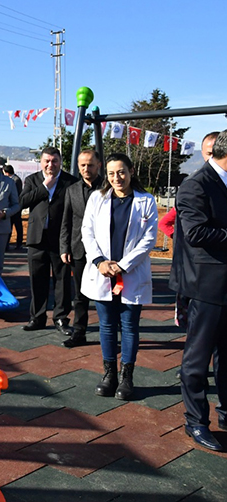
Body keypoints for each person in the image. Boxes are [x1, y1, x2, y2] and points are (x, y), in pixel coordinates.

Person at [80, 153, 156, 401]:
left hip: (130, 273)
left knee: (130, 327)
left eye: (121, 171)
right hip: (102, 273)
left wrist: (122, 266)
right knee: (107, 326)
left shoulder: (146, 201)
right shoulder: (97, 198)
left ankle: (127, 378)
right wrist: (100, 262)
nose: (116, 177)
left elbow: (148, 239)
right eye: (111, 173)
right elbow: (87, 232)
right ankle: (109, 374)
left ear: (131, 171)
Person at [170, 129, 227, 452]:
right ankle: (196, 421)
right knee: (197, 359)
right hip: (205, 288)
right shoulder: (196, 185)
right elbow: (195, 233)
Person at [161, 131, 219, 328]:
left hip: (216, 276)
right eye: (209, 153)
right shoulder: (195, 185)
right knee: (199, 345)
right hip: (198, 275)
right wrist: (178, 238)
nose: (213, 158)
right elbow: (171, 225)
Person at [20, 146, 77, 335]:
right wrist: (45, 186)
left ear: (60, 161)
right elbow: (23, 202)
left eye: (54, 161)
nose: (50, 164)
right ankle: (37, 317)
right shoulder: (32, 180)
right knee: (37, 280)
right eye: (47, 161)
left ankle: (61, 318)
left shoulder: (71, 182)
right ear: (41, 162)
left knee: (62, 281)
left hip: (60, 240)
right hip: (36, 239)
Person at [59, 150, 104, 347]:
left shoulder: (109, 187)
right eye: (82, 165)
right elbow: (66, 221)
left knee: (109, 294)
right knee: (80, 295)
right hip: (79, 249)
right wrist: (64, 247)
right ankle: (79, 332)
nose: (86, 169)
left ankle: (110, 332)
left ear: (99, 165)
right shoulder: (72, 190)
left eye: (90, 165)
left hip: (105, 250)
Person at [3, 165, 24, 251]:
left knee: (17, 225)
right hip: (11, 206)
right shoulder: (14, 179)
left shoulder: (15, 180)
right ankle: (7, 244)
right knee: (10, 225)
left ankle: (19, 243)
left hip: (15, 206)